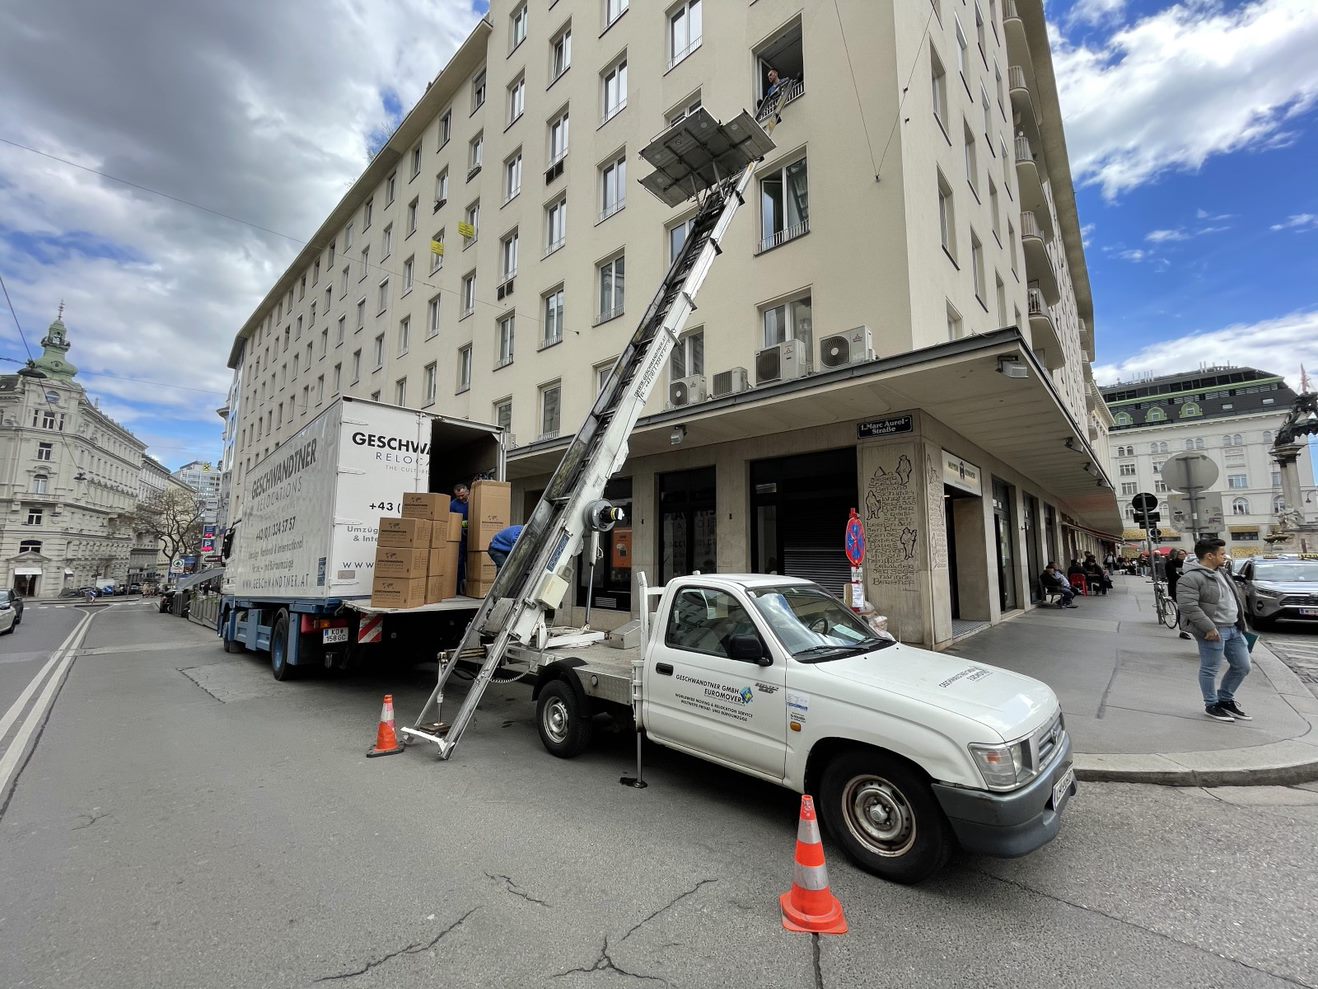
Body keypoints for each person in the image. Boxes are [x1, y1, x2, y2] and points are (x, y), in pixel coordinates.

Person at [1176, 538, 1252, 723]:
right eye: (1221, 554)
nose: (1224, 557)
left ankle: (1225, 700)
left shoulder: (1223, 572)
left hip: (1234, 628)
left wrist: (1241, 623)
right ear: (1209, 555)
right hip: (1213, 630)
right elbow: (1188, 606)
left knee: (1243, 666)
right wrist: (1208, 628)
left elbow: (1233, 600)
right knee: (1210, 669)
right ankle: (1212, 705)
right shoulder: (1191, 577)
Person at [1166, 549, 1190, 639]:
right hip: (1176, 589)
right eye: (1181, 554)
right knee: (1182, 608)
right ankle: (1183, 630)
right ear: (1176, 555)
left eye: (1184, 553)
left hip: (1188, 589)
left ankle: (1187, 627)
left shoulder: (1187, 563)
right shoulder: (1170, 564)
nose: (1183, 555)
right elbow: (1172, 576)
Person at [452, 483, 470, 592]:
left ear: (467, 492)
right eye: (458, 496)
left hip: (475, 535)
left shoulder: (475, 501)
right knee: (459, 561)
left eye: (462, 495)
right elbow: (453, 521)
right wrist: (464, 525)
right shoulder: (453, 505)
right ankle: (459, 588)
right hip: (461, 537)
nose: (460, 497)